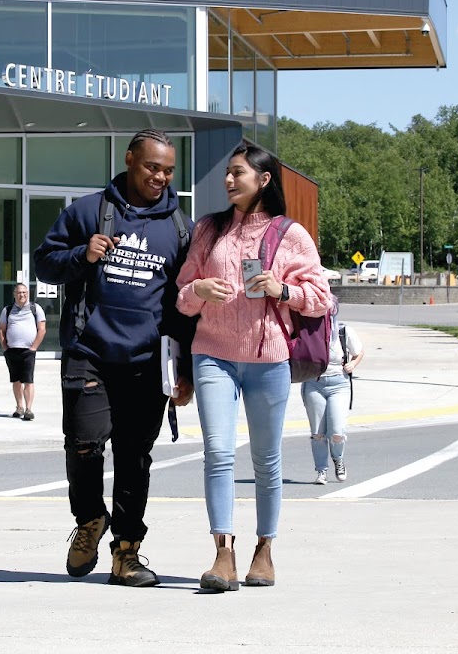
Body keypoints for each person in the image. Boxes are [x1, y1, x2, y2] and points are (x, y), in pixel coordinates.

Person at [33, 129, 195, 588]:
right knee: (83, 445)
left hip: (147, 360)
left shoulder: (181, 229)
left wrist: (184, 369)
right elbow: (45, 263)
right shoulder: (88, 211)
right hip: (89, 352)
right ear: (129, 160)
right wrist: (82, 256)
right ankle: (89, 519)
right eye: (151, 167)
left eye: (168, 170)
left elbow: (183, 304)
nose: (160, 177)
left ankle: (127, 553)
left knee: (134, 458)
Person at [175, 140, 330, 593]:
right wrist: (199, 289)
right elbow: (182, 298)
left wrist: (283, 291)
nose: (228, 180)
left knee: (266, 460)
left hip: (269, 362)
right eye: (227, 172)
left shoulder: (291, 234)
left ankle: (265, 549)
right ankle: (223, 552)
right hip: (213, 355)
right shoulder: (208, 229)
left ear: (263, 180)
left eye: (237, 173)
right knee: (219, 453)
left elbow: (321, 300)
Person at [302, 296, 364, 485]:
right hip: (314, 383)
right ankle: (321, 471)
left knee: (337, 430)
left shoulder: (344, 331)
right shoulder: (308, 331)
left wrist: (353, 364)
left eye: (328, 310)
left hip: (339, 384)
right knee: (318, 432)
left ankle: (338, 460)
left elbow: (359, 351)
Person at [0, 283, 46, 420]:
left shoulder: (35, 309)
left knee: (28, 381)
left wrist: (34, 348)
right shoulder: (7, 310)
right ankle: (19, 407)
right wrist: (5, 348)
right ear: (14, 294)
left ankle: (29, 409)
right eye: (19, 293)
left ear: (28, 294)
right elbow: (2, 330)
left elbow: (42, 329)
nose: (22, 295)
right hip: (12, 351)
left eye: (24, 293)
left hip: (28, 351)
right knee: (16, 381)